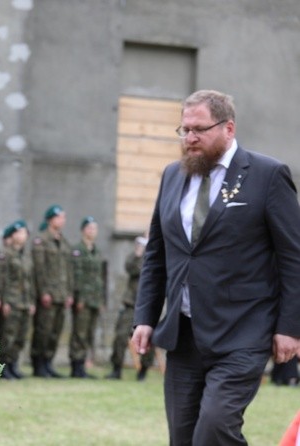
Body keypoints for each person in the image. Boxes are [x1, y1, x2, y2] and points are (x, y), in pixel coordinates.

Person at [132, 89, 300, 445]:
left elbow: (293, 257)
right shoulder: (172, 176)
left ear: (228, 128)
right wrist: (144, 318)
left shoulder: (267, 175)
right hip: (184, 334)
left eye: (199, 129)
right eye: (184, 129)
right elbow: (157, 254)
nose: (190, 138)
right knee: (183, 436)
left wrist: (291, 327)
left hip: (243, 332)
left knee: (214, 428)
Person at [30, 204, 74, 378]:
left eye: (64, 217)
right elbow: (39, 270)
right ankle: (38, 363)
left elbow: (68, 271)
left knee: (55, 331)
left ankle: (48, 362)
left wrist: (69, 292)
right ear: (51, 219)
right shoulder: (41, 240)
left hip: (62, 295)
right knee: (43, 330)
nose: (62, 220)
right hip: (48, 295)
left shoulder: (64, 242)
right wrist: (44, 292)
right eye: (60, 217)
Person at [106, 235, 154, 381]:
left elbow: (148, 271)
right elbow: (130, 268)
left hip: (147, 306)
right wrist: (138, 254)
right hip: (131, 304)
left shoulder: (154, 257)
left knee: (148, 339)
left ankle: (143, 371)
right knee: (121, 335)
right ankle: (116, 369)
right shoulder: (134, 258)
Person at [0, 220, 35, 379]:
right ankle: (3, 366)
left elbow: (30, 281)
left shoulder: (25, 255)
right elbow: (2, 279)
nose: (24, 236)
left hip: (24, 301)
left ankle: (13, 364)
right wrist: (4, 301)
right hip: (11, 301)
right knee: (8, 336)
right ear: (12, 236)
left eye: (25, 233)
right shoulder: (6, 254)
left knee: (20, 336)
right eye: (20, 232)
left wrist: (31, 301)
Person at [69, 216, 105, 379]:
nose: (92, 231)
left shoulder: (96, 251)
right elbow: (77, 276)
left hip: (94, 299)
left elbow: (100, 277)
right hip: (83, 300)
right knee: (79, 333)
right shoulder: (77, 250)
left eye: (95, 229)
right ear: (83, 230)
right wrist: (80, 298)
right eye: (90, 228)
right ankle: (76, 366)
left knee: (89, 333)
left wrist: (101, 300)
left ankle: (83, 365)